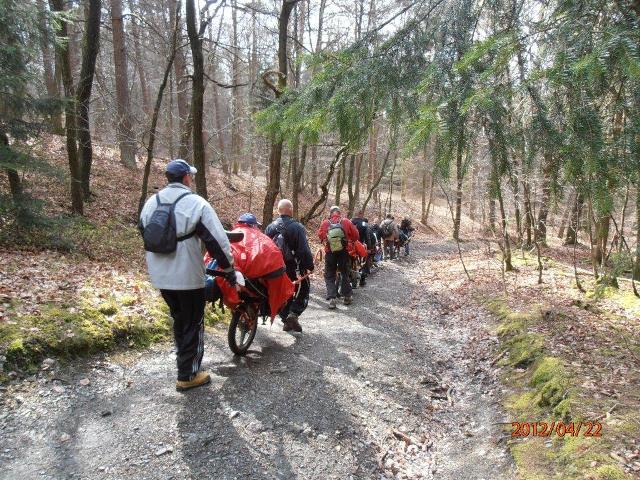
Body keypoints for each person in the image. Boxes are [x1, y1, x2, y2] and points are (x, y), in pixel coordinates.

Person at [139, 159, 235, 392]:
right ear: (186, 178)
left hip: (160, 276)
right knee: (193, 322)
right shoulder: (195, 203)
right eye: (190, 177)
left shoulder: (152, 202)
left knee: (180, 320)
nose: (191, 180)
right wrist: (229, 269)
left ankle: (184, 364)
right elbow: (217, 241)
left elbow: (144, 231)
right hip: (187, 276)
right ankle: (188, 374)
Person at [265, 199, 314, 332]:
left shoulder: (270, 227)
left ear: (278, 210)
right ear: (291, 210)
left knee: (282, 293)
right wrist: (310, 265)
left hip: (274, 268)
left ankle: (286, 319)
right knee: (304, 288)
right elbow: (303, 250)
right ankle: (293, 314)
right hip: (293, 267)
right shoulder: (297, 227)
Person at [317, 206, 359, 309]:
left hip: (330, 252)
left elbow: (320, 236)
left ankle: (332, 298)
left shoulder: (325, 223)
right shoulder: (346, 221)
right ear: (339, 213)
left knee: (329, 275)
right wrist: (349, 241)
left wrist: (326, 240)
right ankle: (347, 297)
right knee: (344, 273)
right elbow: (356, 235)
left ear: (330, 213)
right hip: (344, 251)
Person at [351, 210, 374, 286]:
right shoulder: (364, 224)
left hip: (350, 245)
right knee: (363, 263)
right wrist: (369, 248)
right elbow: (368, 236)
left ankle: (352, 279)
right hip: (360, 245)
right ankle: (362, 281)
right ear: (362, 215)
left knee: (351, 262)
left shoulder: (350, 221)